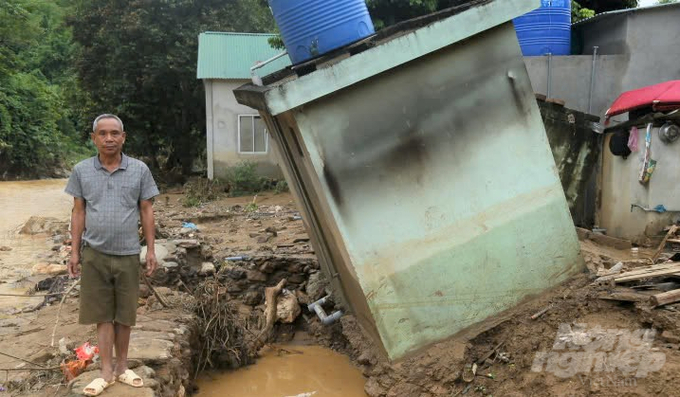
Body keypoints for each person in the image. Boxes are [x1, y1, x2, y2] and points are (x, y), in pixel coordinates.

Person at [65, 114, 159, 396]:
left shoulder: (139, 170)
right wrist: (74, 252)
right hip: (94, 254)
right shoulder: (81, 170)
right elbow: (78, 211)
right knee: (102, 314)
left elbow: (146, 210)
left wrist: (150, 249)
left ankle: (122, 367)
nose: (109, 138)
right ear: (94, 138)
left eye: (114, 133)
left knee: (125, 315)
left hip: (129, 253)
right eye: (103, 133)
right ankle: (106, 370)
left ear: (123, 137)